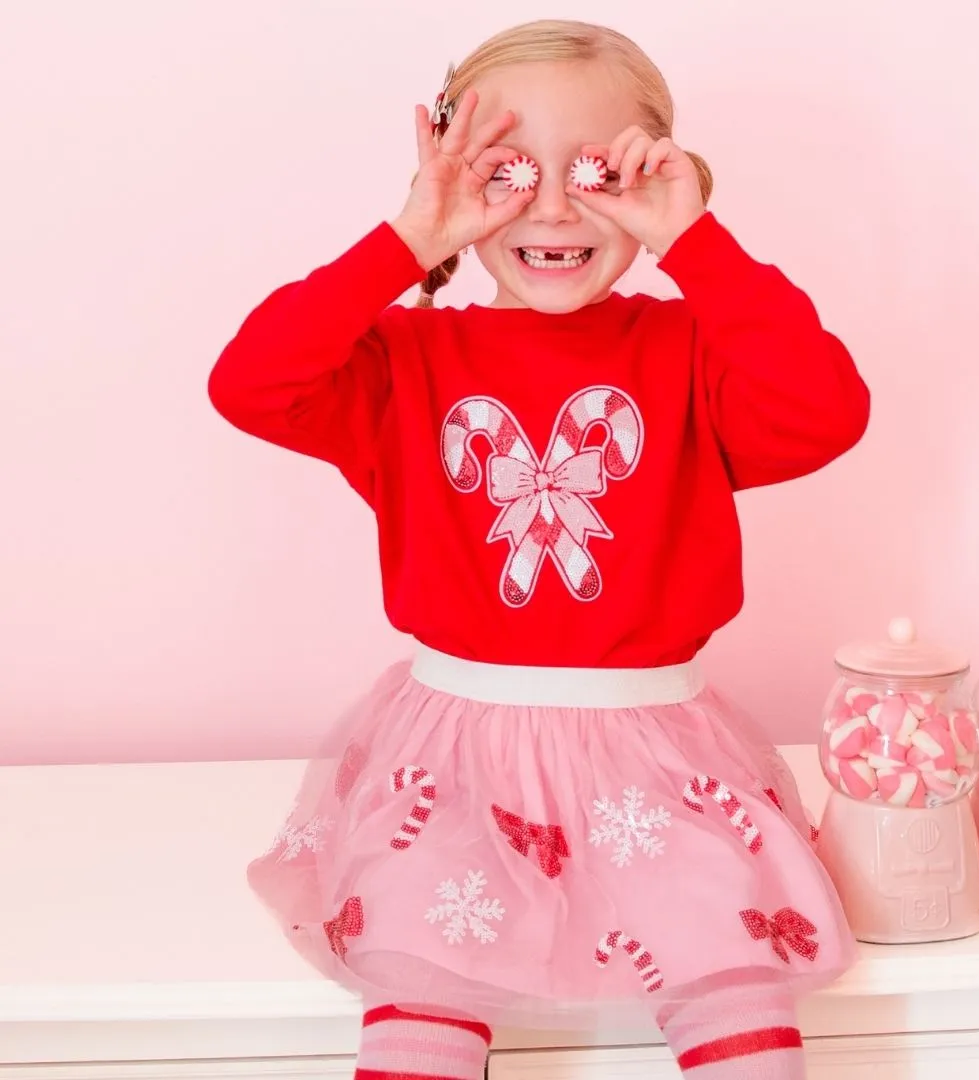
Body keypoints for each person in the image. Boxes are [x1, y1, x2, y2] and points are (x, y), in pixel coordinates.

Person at [209, 18, 870, 1080]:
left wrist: (695, 244)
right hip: (452, 757)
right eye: (509, 173)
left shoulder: (694, 350)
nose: (556, 206)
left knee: (735, 990)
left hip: (661, 758)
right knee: (422, 989)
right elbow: (250, 382)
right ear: (453, 183)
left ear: (660, 179)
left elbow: (826, 411)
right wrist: (405, 242)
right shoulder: (400, 362)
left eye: (601, 171)